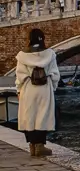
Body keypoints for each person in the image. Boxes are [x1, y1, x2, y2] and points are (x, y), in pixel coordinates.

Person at [15, 29, 60, 157]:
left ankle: (32, 145)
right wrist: (53, 87)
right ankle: (40, 145)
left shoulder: (22, 55)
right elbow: (55, 74)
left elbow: (19, 76)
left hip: (28, 88)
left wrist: (19, 90)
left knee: (29, 115)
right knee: (43, 114)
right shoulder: (50, 54)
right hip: (44, 88)